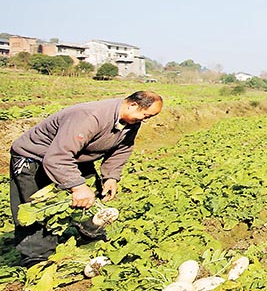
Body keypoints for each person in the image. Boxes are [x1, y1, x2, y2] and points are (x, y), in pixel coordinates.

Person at [9, 90, 164, 265]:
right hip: (35, 157)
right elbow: (58, 157)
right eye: (146, 115)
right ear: (133, 105)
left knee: (92, 195)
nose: (145, 120)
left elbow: (122, 149)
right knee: (36, 207)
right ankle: (36, 257)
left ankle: (91, 235)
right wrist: (77, 186)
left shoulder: (131, 121)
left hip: (74, 156)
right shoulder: (90, 117)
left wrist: (111, 177)